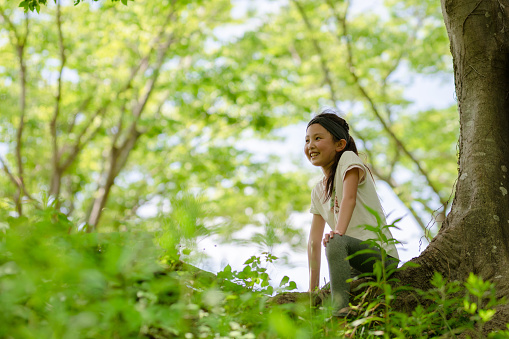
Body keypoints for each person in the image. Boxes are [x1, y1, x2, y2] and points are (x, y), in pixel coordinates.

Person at [304, 108, 399, 317]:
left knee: (335, 241)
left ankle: (341, 314)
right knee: (323, 295)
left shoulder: (348, 159)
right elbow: (313, 242)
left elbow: (349, 198)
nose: (310, 145)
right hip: (353, 265)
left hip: (380, 256)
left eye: (318, 138)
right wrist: (312, 291)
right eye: (307, 140)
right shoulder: (318, 190)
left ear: (340, 144)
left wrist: (338, 234)